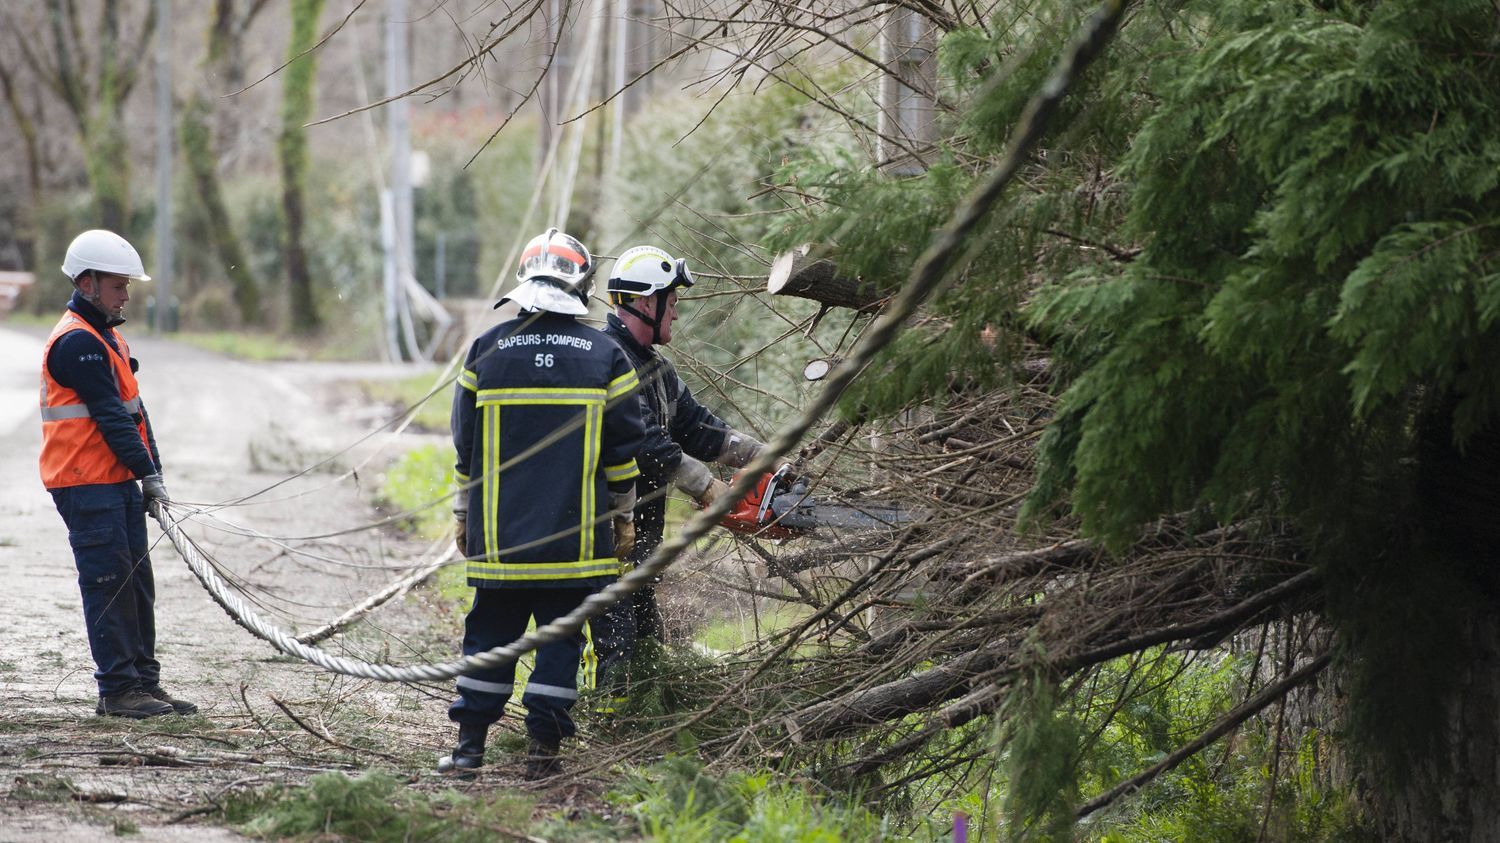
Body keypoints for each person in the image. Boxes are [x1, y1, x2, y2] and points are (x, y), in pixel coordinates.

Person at [440, 227, 645, 780]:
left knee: (488, 640)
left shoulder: (486, 349)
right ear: (580, 283)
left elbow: (466, 445)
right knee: (559, 643)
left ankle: (468, 752)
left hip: (500, 541)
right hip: (574, 543)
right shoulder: (605, 355)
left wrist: (464, 514)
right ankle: (542, 755)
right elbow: (625, 449)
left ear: (524, 279)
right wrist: (622, 516)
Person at [589, 245, 765, 708]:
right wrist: (712, 489)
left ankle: (638, 716)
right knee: (618, 641)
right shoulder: (608, 359)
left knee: (645, 632)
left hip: (641, 532)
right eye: (674, 300)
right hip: (607, 527)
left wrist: (762, 456)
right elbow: (645, 444)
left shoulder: (657, 369)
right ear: (647, 302)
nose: (678, 312)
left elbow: (700, 428)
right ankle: (610, 726)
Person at [39, 229, 197, 719]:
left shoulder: (108, 335)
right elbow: (109, 416)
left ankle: (143, 683)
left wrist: (152, 472)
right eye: (117, 286)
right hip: (86, 483)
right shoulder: (76, 344)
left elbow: (136, 413)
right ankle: (117, 690)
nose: (126, 294)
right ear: (87, 283)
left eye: (127, 285)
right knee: (109, 582)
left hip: (115, 479)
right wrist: (147, 475)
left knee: (137, 583)